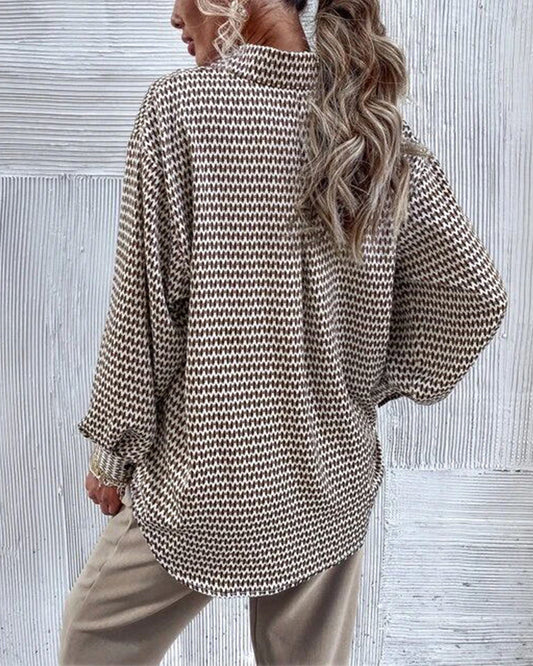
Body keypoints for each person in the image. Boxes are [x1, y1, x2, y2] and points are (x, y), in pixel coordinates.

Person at [58, 0, 509, 663]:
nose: (174, 16)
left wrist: (112, 455)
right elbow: (473, 293)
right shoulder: (370, 130)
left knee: (91, 642)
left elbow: (143, 314)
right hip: (331, 478)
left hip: (202, 479)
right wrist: (359, 387)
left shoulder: (179, 111)